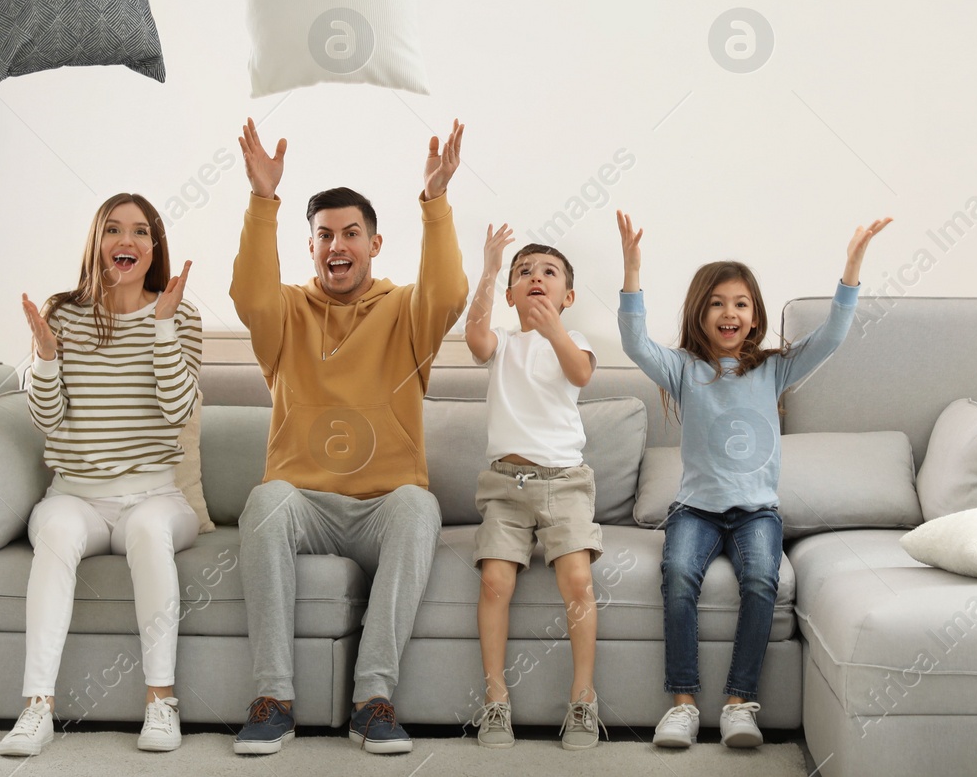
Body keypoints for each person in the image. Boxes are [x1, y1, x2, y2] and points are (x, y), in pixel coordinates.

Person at [229, 117, 468, 756]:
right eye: (325, 236)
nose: (339, 245)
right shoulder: (282, 315)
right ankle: (273, 699)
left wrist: (436, 201)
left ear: (374, 243)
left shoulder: (406, 313)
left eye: (351, 234)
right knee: (264, 501)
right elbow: (247, 294)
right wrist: (263, 201)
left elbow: (449, 292)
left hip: (383, 504)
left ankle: (372, 701)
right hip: (305, 504)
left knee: (420, 506)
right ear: (309, 247)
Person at [616, 209, 889, 750]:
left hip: (757, 511)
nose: (729, 312)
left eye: (740, 303)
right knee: (676, 574)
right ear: (700, 312)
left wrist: (852, 266)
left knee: (765, 580)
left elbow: (833, 335)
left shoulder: (773, 368)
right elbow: (633, 342)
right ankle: (684, 704)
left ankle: (740, 703)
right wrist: (631, 271)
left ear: (755, 314)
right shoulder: (682, 369)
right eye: (717, 303)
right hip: (695, 508)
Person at [0, 193, 203, 757]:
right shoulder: (63, 314)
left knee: (146, 531)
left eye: (140, 232)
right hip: (76, 496)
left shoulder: (181, 313)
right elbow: (48, 418)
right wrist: (44, 354)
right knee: (58, 534)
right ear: (97, 242)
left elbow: (178, 410)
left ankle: (161, 703)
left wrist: (162, 329)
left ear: (153, 247)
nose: (126, 241)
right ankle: (36, 709)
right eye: (113, 230)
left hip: (157, 496)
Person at [464, 226, 601, 750]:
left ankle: (583, 698)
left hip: (564, 484)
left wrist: (555, 332)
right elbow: (476, 338)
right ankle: (496, 699)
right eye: (525, 272)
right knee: (495, 581)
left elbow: (581, 374)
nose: (535, 278)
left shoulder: (575, 341)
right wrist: (490, 267)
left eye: (548, 273)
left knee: (577, 580)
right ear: (511, 294)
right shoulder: (504, 345)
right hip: (505, 486)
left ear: (567, 297)